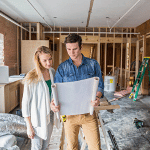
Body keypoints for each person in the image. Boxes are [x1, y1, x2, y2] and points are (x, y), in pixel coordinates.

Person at [51, 33, 104, 150]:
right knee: (72, 147)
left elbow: (100, 86)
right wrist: (53, 103)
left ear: (81, 47)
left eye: (75, 49)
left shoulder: (93, 64)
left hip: (88, 114)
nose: (71, 53)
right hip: (69, 116)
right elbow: (56, 92)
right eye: (68, 49)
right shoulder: (62, 68)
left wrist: (97, 98)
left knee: (96, 147)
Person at [22, 46, 55, 150]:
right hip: (36, 119)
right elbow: (25, 103)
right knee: (37, 147)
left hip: (50, 116)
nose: (48, 63)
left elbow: (54, 93)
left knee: (45, 146)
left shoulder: (52, 72)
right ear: (38, 61)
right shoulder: (32, 76)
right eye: (44, 60)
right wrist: (29, 126)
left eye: (50, 59)